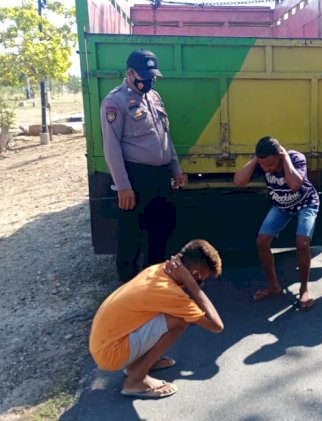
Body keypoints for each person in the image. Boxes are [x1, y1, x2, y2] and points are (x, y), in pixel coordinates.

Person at [89, 239, 224, 399]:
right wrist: (191, 283)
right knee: (179, 321)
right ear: (195, 274)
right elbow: (216, 326)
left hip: (105, 345)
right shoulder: (169, 291)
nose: (200, 285)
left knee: (169, 315)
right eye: (201, 280)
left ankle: (137, 363)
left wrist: (190, 280)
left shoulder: (157, 270)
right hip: (112, 354)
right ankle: (135, 380)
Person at [100, 49, 186, 283]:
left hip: (161, 177)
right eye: (144, 77)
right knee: (131, 239)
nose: (149, 81)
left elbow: (165, 136)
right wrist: (123, 186)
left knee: (160, 234)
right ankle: (127, 291)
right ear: (130, 73)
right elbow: (111, 147)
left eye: (153, 77)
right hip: (136, 179)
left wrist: (176, 168)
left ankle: (154, 286)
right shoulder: (115, 101)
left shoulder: (155, 98)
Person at [233, 136, 320, 311]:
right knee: (262, 241)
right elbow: (239, 181)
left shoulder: (296, 158)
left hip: (306, 203)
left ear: (280, 155)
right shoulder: (261, 162)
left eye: (270, 164)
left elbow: (295, 185)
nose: (267, 169)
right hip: (281, 205)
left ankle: (304, 289)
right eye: (263, 165)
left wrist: (286, 158)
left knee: (302, 243)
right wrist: (255, 160)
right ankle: (274, 285)